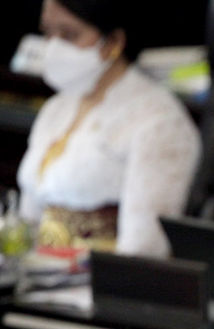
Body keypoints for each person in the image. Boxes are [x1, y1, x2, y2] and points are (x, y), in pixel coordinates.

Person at [16, 0, 201, 257]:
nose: (53, 47)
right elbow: (27, 221)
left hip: (100, 288)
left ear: (113, 42)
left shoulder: (158, 121)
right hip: (37, 281)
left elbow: (144, 250)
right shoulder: (56, 109)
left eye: (69, 35)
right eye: (48, 33)